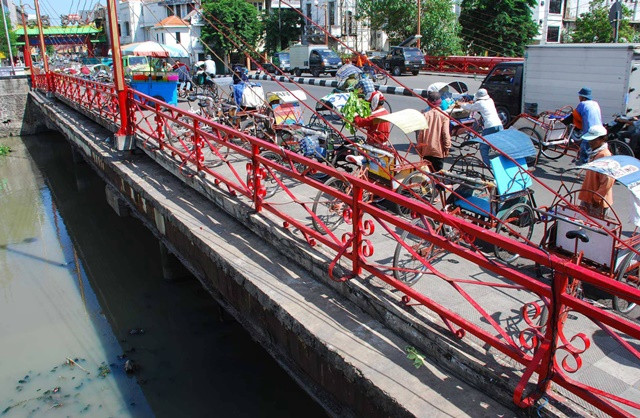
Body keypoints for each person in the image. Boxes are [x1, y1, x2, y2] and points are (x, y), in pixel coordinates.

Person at [458, 88, 503, 165]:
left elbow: (470, 108)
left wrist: (460, 104)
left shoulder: (480, 103)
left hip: (490, 126)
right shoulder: (490, 100)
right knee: (500, 145)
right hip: (499, 124)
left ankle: (487, 164)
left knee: (483, 146)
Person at [578, 125, 614, 218]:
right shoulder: (595, 153)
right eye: (590, 140)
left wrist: (597, 198)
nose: (591, 142)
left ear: (602, 139)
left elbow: (608, 180)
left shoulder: (604, 155)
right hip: (588, 197)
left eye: (594, 140)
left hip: (597, 202)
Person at [416, 91, 451, 172]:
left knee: (427, 174)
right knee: (438, 174)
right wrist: (447, 147)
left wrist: (419, 148)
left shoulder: (425, 115)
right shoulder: (444, 116)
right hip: (438, 150)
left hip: (425, 149)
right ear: (440, 102)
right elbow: (445, 134)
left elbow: (420, 134)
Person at [574, 87, 602, 165]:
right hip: (600, 128)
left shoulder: (582, 104)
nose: (579, 98)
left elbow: (574, 115)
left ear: (583, 97)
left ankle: (583, 164)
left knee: (584, 147)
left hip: (591, 131)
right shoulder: (595, 103)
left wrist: (563, 121)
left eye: (579, 96)